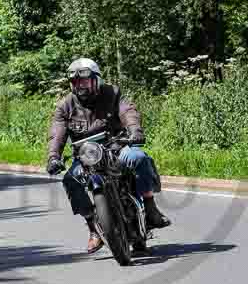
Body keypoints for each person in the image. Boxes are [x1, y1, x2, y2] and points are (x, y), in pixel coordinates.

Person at [46, 58, 171, 253]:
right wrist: (54, 156)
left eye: (85, 81)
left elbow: (128, 111)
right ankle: (93, 229)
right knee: (70, 179)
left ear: (96, 80)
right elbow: (57, 132)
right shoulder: (65, 106)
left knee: (139, 158)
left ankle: (150, 206)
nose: (81, 85)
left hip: (117, 146)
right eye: (76, 82)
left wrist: (134, 131)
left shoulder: (112, 93)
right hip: (86, 156)